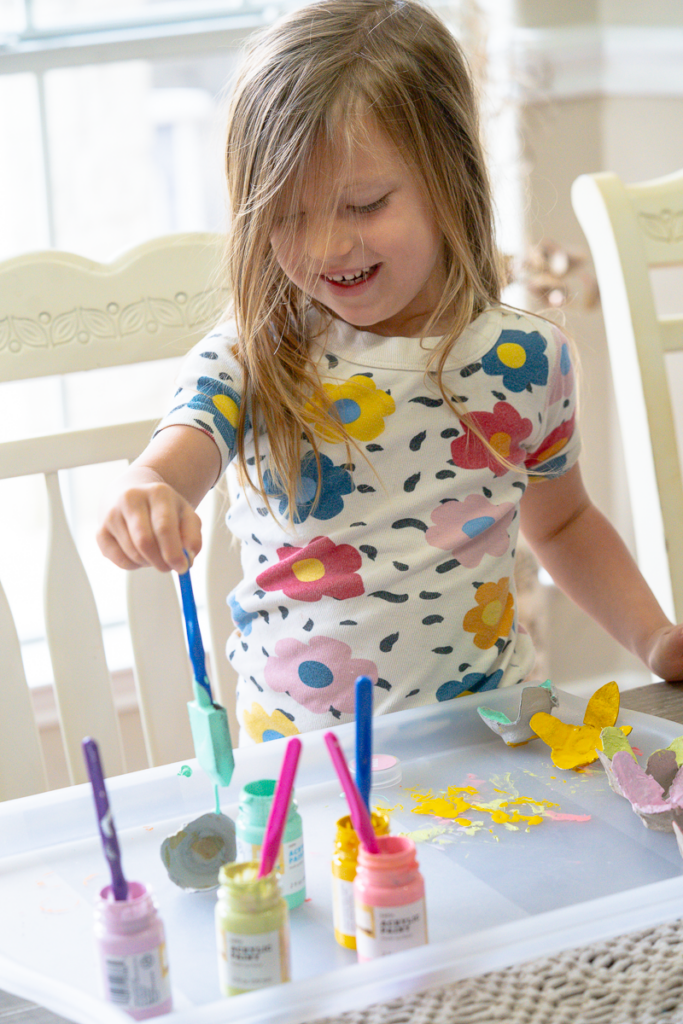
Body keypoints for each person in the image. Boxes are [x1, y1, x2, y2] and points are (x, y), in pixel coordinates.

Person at [97, 0, 683, 744]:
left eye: (365, 204)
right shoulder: (251, 358)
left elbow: (563, 523)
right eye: (287, 214)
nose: (328, 246)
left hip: (488, 738)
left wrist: (652, 638)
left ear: (448, 178)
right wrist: (145, 493)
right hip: (305, 764)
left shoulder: (527, 361)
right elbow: (170, 462)